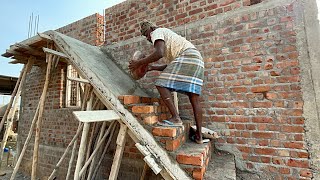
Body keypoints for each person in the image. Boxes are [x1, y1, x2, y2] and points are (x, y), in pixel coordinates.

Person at [129, 20, 206, 144]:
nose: (148, 38)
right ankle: (199, 137)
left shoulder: (157, 32)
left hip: (188, 56)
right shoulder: (169, 39)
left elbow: (159, 53)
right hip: (197, 59)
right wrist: (151, 68)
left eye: (147, 34)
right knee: (194, 98)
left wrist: (139, 62)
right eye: (145, 36)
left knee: (161, 84)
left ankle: (176, 118)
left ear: (151, 29)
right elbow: (171, 66)